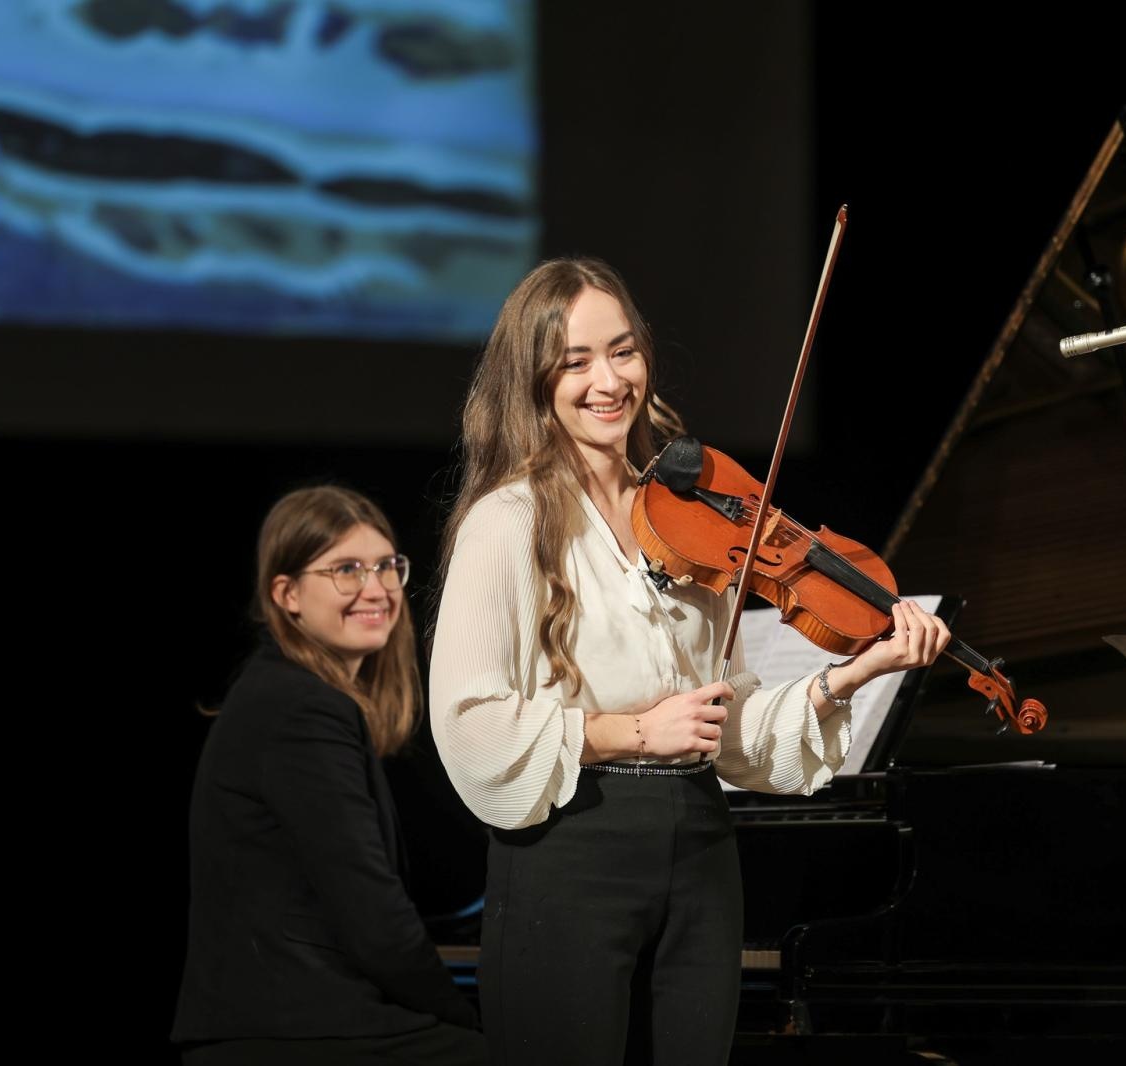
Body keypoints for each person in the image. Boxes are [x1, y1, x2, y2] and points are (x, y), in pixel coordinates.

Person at [429, 258, 949, 1065]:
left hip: (700, 845)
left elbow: (726, 724)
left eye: (624, 351)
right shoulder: (508, 521)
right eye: (575, 362)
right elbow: (471, 723)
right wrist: (635, 731)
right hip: (573, 848)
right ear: (531, 381)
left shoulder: (690, 514)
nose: (609, 380)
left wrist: (856, 671)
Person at [174, 486, 485, 1066]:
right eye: (346, 570)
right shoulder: (300, 709)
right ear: (286, 594)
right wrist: (460, 1014)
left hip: (295, 1018)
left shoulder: (288, 696)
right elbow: (371, 911)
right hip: (295, 1027)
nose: (376, 589)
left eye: (387, 566)